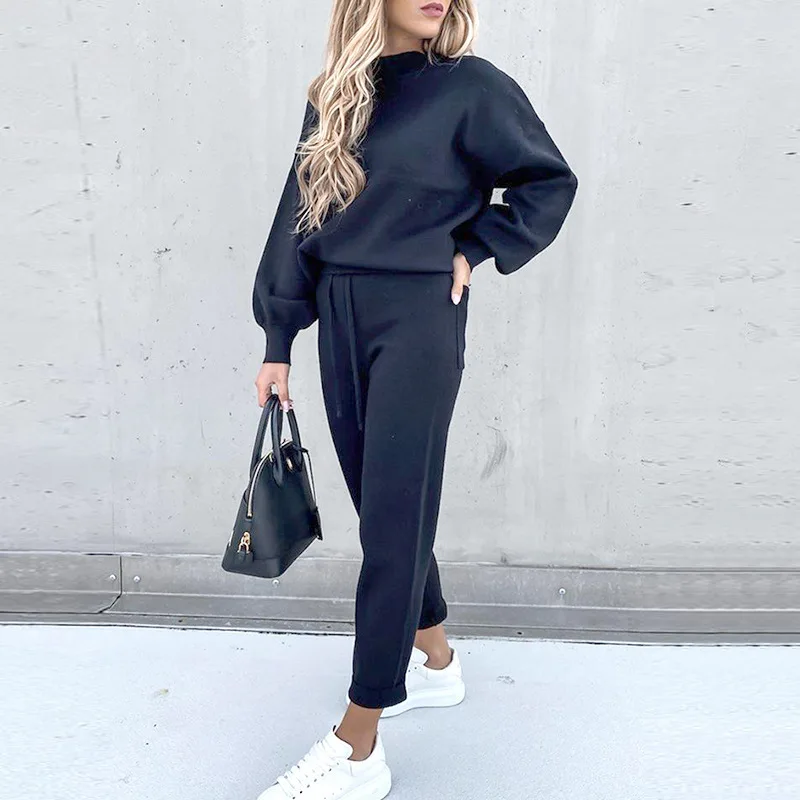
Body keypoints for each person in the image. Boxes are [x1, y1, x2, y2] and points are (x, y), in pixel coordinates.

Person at [251, 1, 578, 797]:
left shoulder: (471, 87)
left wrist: (478, 246)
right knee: (381, 507)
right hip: (340, 311)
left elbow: (548, 180)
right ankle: (435, 659)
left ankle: (359, 741)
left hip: (420, 313)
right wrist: (278, 339)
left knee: (395, 520)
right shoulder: (336, 93)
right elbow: (298, 213)